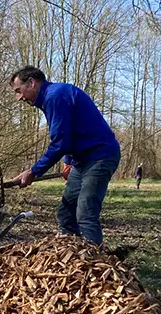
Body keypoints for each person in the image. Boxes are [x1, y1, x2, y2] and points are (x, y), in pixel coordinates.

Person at [9, 66, 121, 245]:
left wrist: (33, 171)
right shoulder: (52, 97)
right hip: (81, 160)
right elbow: (71, 131)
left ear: (31, 82)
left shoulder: (55, 96)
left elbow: (60, 142)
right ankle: (70, 258)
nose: (19, 97)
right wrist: (68, 162)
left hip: (100, 156)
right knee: (66, 214)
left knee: (85, 213)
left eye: (18, 91)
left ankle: (94, 264)